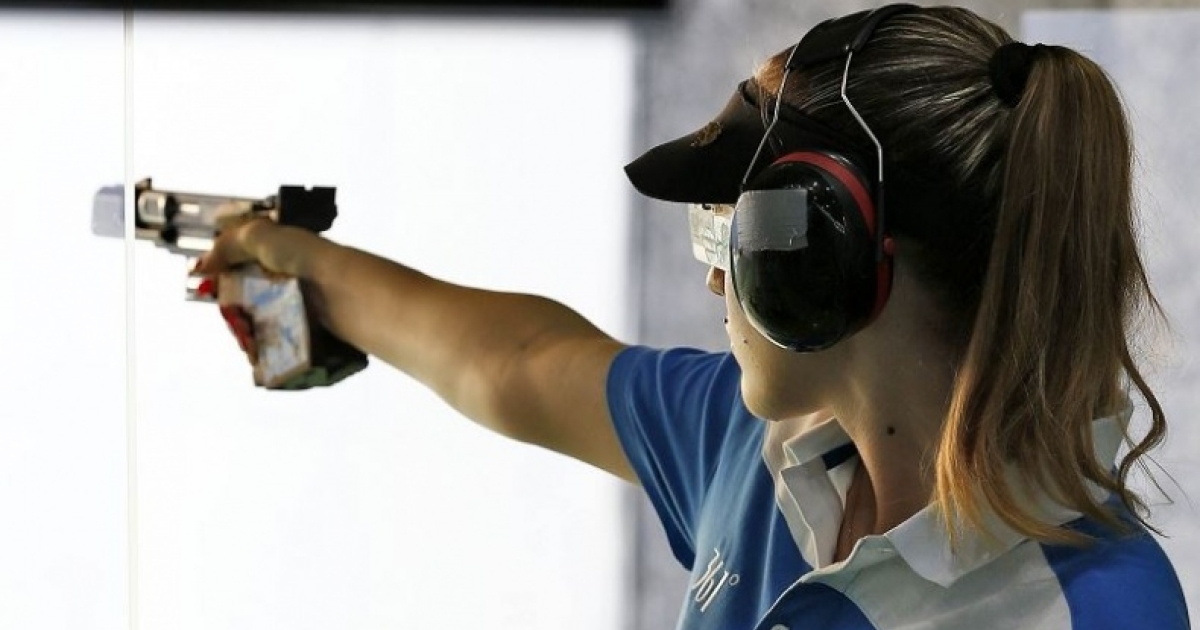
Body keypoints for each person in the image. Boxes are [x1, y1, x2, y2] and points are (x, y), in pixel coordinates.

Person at [195, 4, 1191, 629]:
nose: (717, 286)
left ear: (827, 253)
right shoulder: (762, 450)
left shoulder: (1099, 610)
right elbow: (516, 361)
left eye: (732, 237)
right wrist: (301, 262)